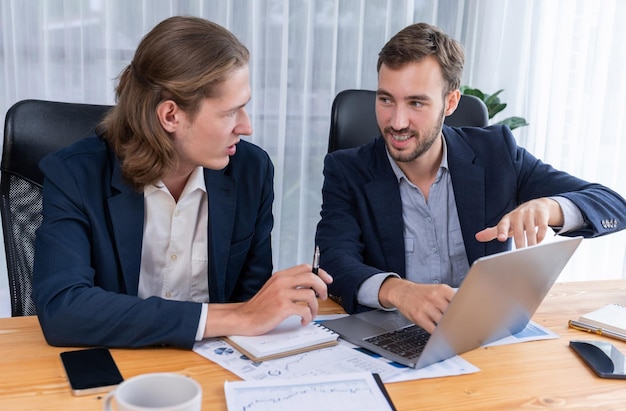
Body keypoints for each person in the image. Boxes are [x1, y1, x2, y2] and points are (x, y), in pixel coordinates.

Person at [32, 16, 332, 349]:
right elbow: (63, 309)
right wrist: (239, 317)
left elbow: (250, 299)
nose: (246, 127)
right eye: (231, 112)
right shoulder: (75, 174)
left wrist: (271, 304)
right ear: (171, 116)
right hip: (119, 365)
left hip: (213, 365)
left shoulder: (251, 170)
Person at [315, 22, 625, 334]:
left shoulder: (496, 153)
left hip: (481, 338)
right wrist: (399, 291)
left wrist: (549, 208)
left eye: (416, 103)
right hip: (391, 336)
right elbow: (335, 262)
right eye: (386, 100)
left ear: (450, 103)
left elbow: (613, 205)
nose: (397, 121)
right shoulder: (347, 170)